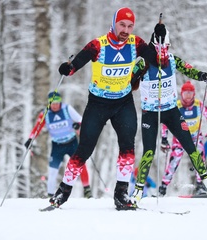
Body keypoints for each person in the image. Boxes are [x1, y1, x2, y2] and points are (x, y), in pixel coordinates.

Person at [49, 7, 165, 210]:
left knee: (128, 146)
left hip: (123, 102)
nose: (126, 30)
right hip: (98, 104)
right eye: (122, 24)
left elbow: (158, 61)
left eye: (130, 26)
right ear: (114, 23)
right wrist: (68, 68)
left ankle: (121, 195)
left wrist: (158, 41)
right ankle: (63, 192)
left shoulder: (136, 43)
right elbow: (78, 61)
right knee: (84, 148)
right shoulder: (99, 44)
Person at [131, 23, 207, 205]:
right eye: (163, 48)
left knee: (190, 144)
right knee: (149, 151)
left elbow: (189, 69)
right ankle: (138, 189)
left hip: (171, 111)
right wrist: (134, 78)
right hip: (150, 112)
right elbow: (127, 82)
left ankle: (206, 180)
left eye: (167, 48)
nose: (165, 52)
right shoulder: (143, 61)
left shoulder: (172, 60)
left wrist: (202, 75)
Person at [25, 92, 92, 198]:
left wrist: (78, 125)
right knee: (52, 171)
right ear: (49, 103)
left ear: (60, 102)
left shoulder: (67, 109)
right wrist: (30, 139)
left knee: (80, 165)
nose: (55, 105)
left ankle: (87, 190)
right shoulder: (45, 113)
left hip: (71, 143)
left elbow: (81, 120)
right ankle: (50, 195)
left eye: (57, 103)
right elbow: (37, 128)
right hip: (57, 145)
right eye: (52, 103)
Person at [158, 80, 207, 196]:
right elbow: (166, 123)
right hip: (179, 140)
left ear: (194, 94)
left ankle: (200, 186)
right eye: (185, 93)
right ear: (181, 94)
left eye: (190, 93)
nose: (188, 96)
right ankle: (163, 188)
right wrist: (164, 138)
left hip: (195, 139)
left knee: (199, 160)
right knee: (173, 163)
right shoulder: (176, 106)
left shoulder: (199, 105)